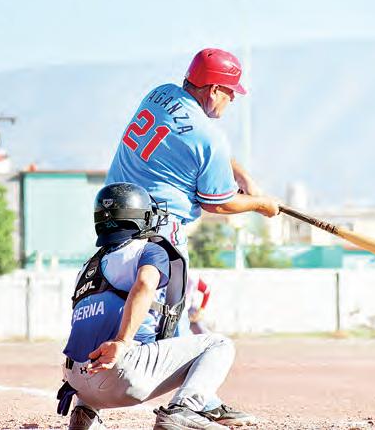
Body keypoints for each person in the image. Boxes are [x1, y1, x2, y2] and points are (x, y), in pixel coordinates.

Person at [57, 182, 257, 430]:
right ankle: (183, 410)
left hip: (77, 381)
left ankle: (83, 413)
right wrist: (123, 341)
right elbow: (144, 284)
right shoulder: (149, 250)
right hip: (122, 375)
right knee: (219, 344)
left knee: (100, 330)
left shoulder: (87, 266)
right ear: (140, 217)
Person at [106, 47, 280, 262]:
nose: (233, 97)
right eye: (230, 90)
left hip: (111, 215)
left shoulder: (159, 94)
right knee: (167, 282)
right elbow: (217, 203)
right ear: (214, 90)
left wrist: (243, 177)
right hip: (156, 230)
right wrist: (261, 204)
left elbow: (195, 146)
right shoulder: (210, 138)